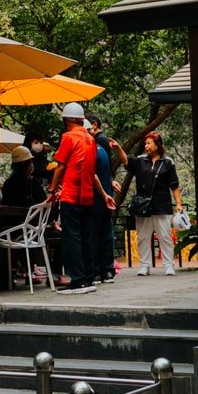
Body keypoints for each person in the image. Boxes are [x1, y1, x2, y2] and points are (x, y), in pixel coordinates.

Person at [49, 102, 98, 294]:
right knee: (86, 236)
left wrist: (52, 190)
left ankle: (77, 279)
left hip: (70, 194)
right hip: (87, 195)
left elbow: (60, 166)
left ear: (67, 120)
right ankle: (89, 276)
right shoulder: (90, 139)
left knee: (72, 238)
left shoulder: (68, 137)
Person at [127, 132, 183, 275]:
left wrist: (179, 203)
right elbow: (126, 161)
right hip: (143, 207)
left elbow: (174, 185)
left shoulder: (167, 162)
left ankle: (168, 265)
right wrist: (117, 148)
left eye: (149, 143)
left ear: (157, 145)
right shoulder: (140, 161)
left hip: (162, 205)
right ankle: (145, 265)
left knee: (165, 237)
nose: (146, 146)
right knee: (143, 237)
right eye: (145, 143)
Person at [89, 113, 125, 283]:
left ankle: (99, 269)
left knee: (96, 233)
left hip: (98, 194)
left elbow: (95, 173)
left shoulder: (98, 143)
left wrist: (105, 189)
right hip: (104, 193)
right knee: (104, 232)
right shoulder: (101, 146)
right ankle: (107, 270)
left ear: (93, 125)